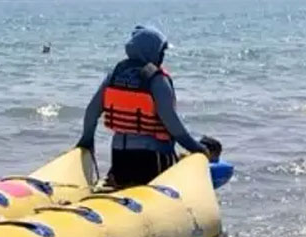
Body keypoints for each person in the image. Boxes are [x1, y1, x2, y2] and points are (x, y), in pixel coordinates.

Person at [77, 25, 210, 188]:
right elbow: (171, 121)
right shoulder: (156, 79)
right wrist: (195, 148)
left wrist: (86, 140)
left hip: (119, 156)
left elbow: (91, 111)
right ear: (153, 51)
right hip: (152, 158)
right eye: (162, 51)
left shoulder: (114, 75)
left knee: (124, 187)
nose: (162, 55)